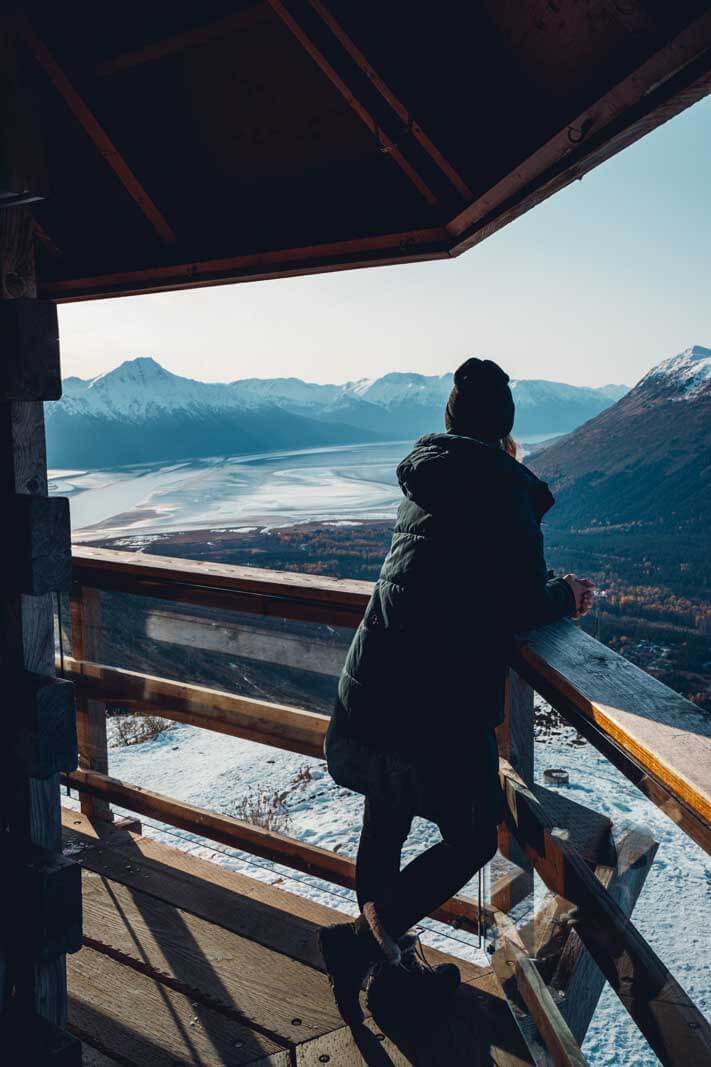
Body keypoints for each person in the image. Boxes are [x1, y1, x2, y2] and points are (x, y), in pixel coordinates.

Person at [318, 357, 594, 1026]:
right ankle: (365, 947)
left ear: (449, 419)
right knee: (472, 836)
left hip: (378, 675)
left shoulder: (427, 478)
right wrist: (569, 596)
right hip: (434, 700)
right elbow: (519, 598)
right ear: (505, 429)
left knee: (383, 818)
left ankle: (385, 969)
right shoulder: (502, 489)